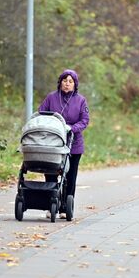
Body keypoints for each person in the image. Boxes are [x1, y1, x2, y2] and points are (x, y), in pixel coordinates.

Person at [39, 69, 90, 219]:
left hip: (73, 144)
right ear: (60, 82)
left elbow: (84, 120)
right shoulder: (51, 98)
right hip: (53, 143)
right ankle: (50, 204)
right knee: (50, 172)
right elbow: (41, 112)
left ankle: (65, 207)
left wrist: (72, 128)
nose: (67, 84)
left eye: (70, 81)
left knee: (70, 176)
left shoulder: (81, 101)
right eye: (64, 81)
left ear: (75, 84)